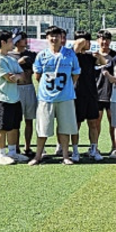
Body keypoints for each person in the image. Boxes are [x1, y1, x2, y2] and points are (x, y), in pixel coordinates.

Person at [29, 26, 80, 165]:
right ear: (47, 38)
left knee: (65, 128)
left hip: (66, 97)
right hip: (46, 97)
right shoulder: (42, 55)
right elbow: (38, 75)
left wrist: (66, 87)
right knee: (43, 128)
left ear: (61, 38)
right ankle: (38, 156)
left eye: (57, 36)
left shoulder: (69, 54)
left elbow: (76, 73)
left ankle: (65, 156)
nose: (54, 38)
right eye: (51, 36)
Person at [0, 30, 29, 165]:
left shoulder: (11, 59)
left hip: (14, 98)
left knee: (13, 127)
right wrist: (16, 76)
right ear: (3, 42)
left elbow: (22, 76)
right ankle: (1, 155)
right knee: (2, 128)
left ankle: (12, 153)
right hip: (1, 99)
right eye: (11, 41)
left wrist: (16, 76)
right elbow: (9, 78)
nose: (13, 43)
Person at [71, 30, 107, 162]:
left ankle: (94, 149)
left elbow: (103, 62)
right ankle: (75, 151)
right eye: (87, 41)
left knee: (93, 123)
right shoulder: (72, 56)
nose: (89, 44)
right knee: (76, 124)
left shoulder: (90, 56)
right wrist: (79, 44)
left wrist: (99, 56)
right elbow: (74, 52)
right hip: (77, 94)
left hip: (91, 94)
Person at [7, 31, 38, 157]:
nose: (25, 41)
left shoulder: (31, 54)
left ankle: (28, 146)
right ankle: (16, 146)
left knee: (29, 119)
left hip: (29, 87)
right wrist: (18, 62)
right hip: (16, 88)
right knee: (16, 121)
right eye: (22, 39)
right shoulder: (9, 55)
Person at [95, 29, 116, 155]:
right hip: (97, 94)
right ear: (97, 40)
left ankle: (114, 147)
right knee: (96, 122)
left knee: (113, 123)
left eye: (107, 39)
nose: (104, 42)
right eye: (102, 39)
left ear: (110, 41)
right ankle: (94, 147)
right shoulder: (93, 56)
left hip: (113, 94)